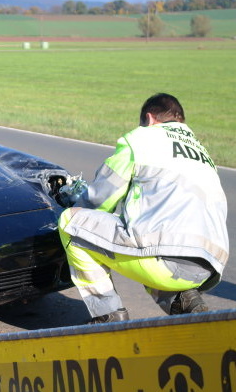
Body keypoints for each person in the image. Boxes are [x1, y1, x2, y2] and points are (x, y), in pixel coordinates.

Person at [58, 93, 229, 323]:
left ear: (149, 118)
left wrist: (75, 208)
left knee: (71, 223)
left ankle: (107, 315)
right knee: (150, 234)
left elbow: (100, 199)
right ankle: (186, 303)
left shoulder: (140, 139)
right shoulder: (203, 153)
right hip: (208, 267)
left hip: (164, 260)